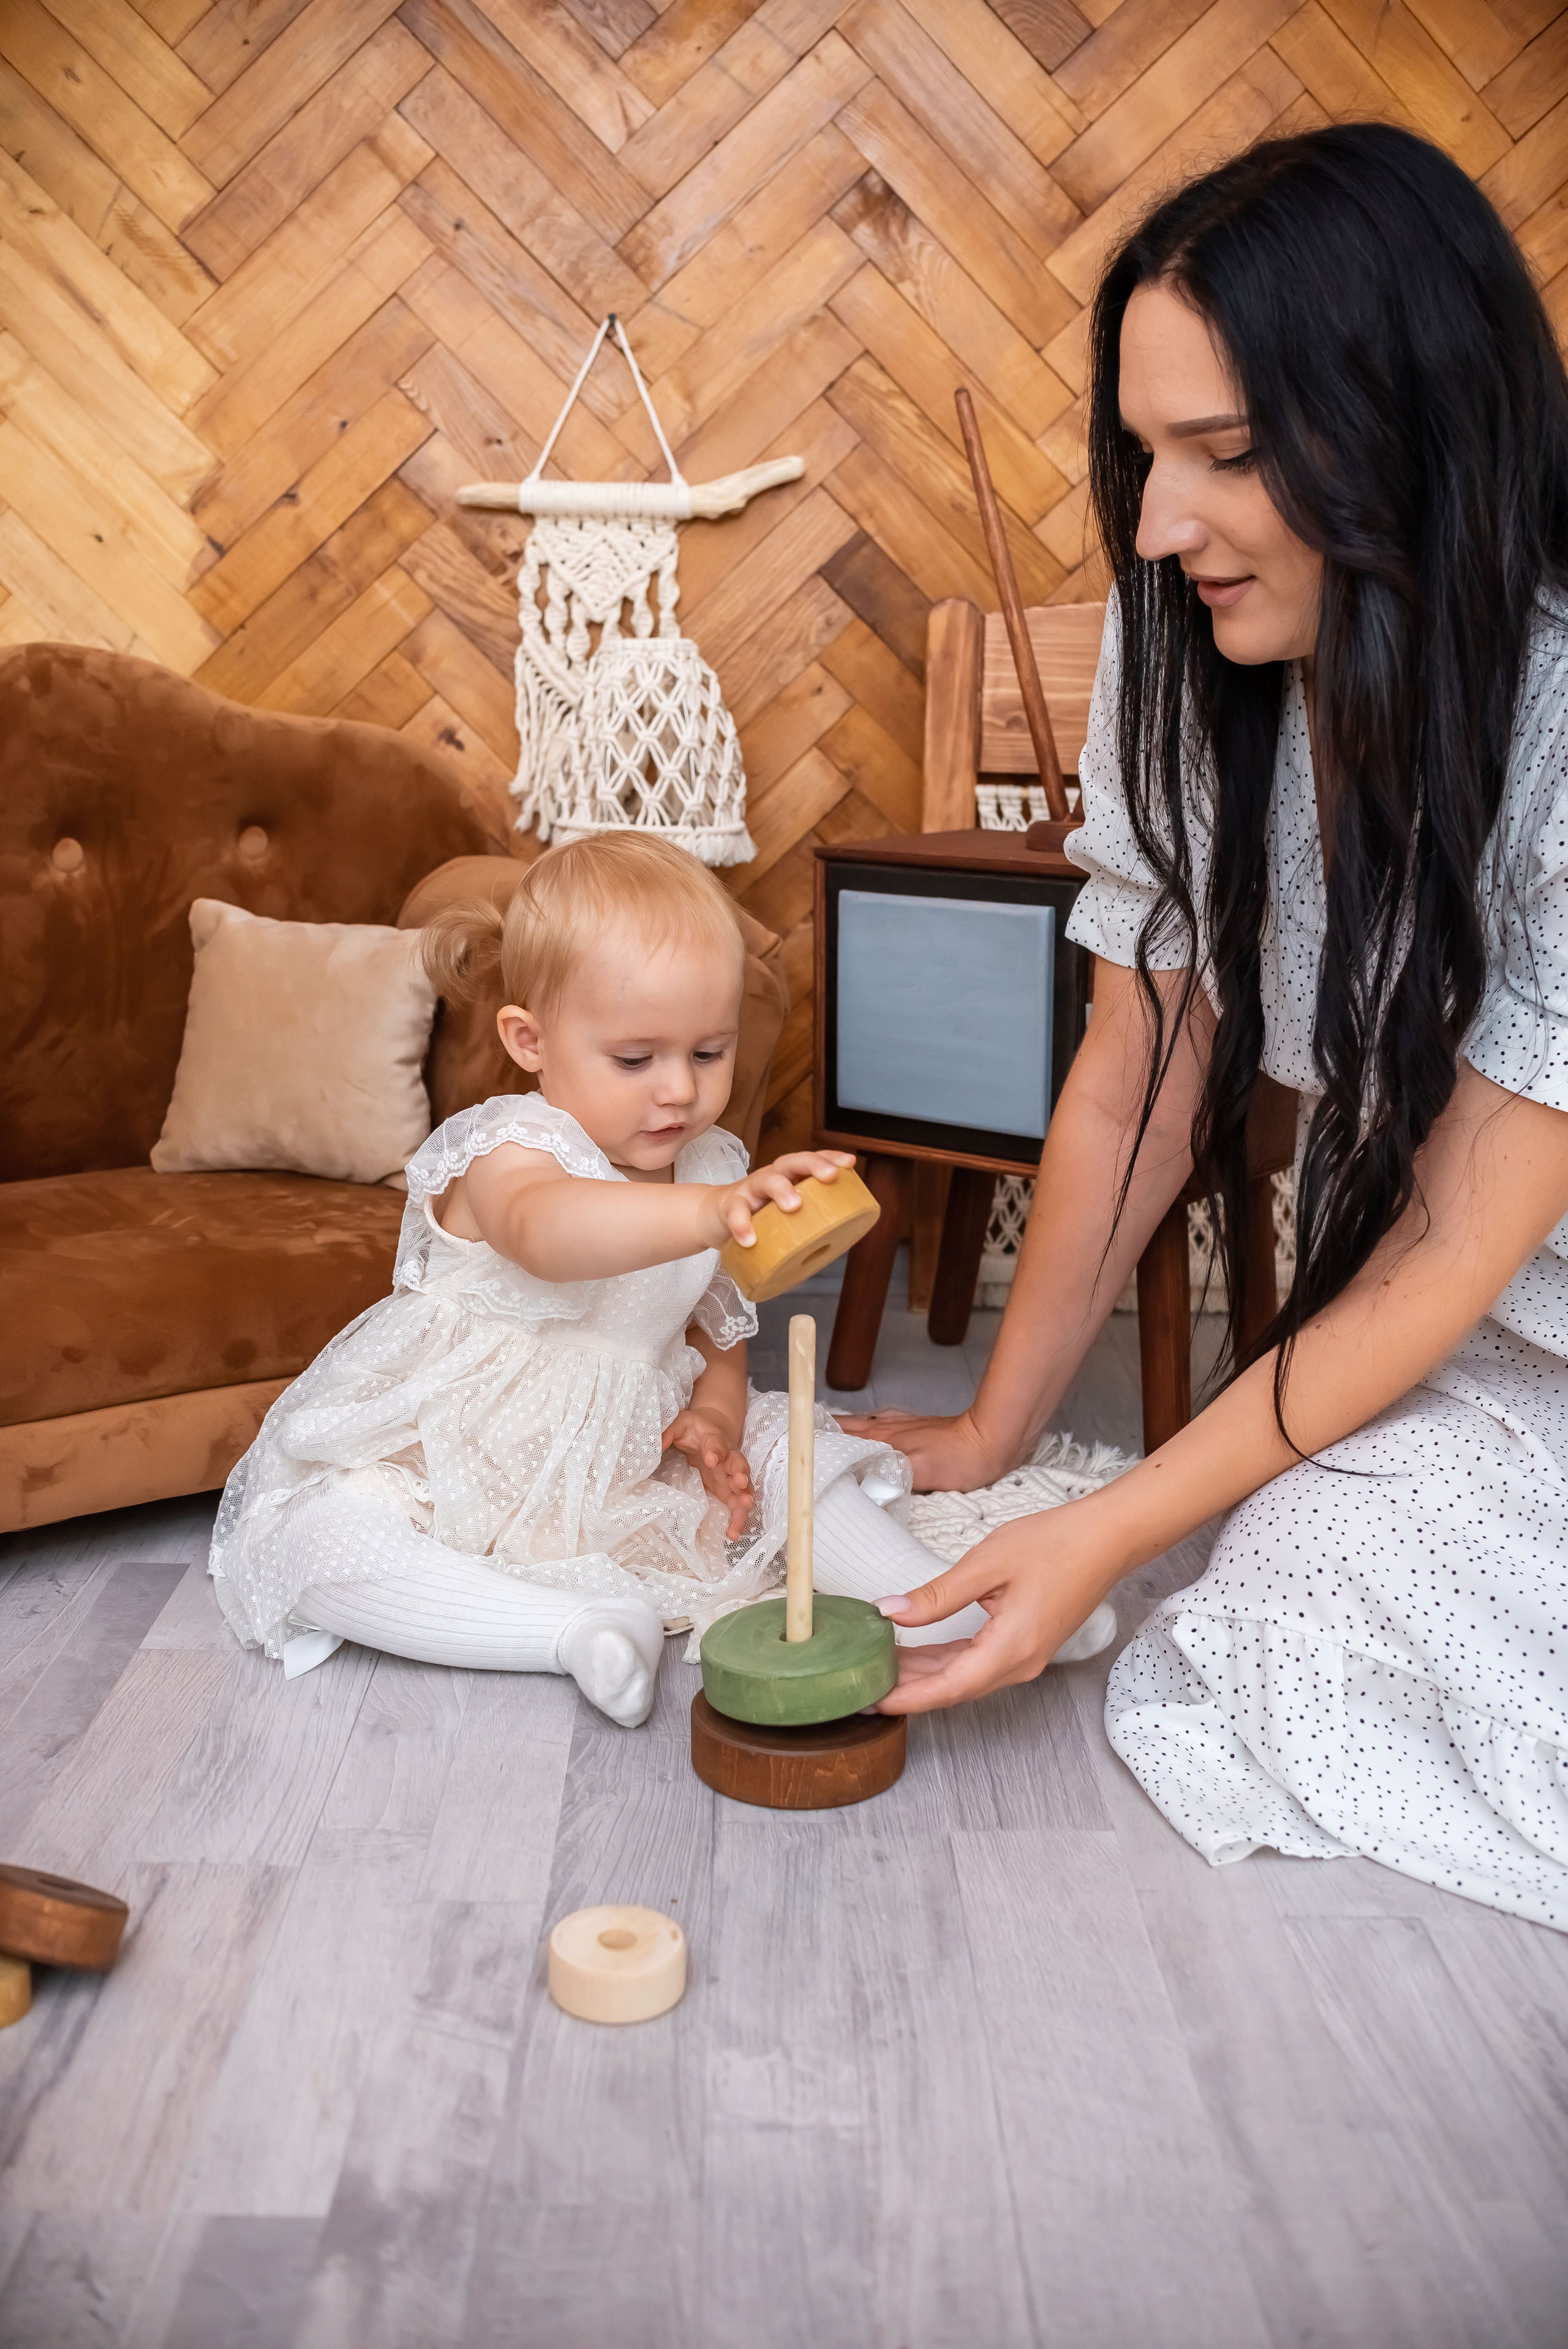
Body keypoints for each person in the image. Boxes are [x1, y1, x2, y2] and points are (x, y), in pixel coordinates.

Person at [845, 125, 1568, 1929]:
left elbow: (1445, 1248)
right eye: (1145, 451)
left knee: (1259, 1587)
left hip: (1465, 1294)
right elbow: (1142, 1067)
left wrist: (1109, 1527)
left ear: (1407, 429)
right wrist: (1001, 1439)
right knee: (1290, 1585)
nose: (1158, 527)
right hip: (1459, 1349)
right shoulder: (1190, 649)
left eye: (1226, 456)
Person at [209, 831, 1028, 1728]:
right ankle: (571, 1629)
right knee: (316, 1536)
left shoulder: (709, 1160)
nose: (679, 1090)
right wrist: (711, 1212)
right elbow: (550, 1235)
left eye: (709, 1053)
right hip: (467, 1444)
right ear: (531, 1040)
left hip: (633, 1445)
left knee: (786, 1442)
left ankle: (951, 1601)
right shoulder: (511, 1146)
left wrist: (713, 1415)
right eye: (636, 1060)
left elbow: (718, 1324)